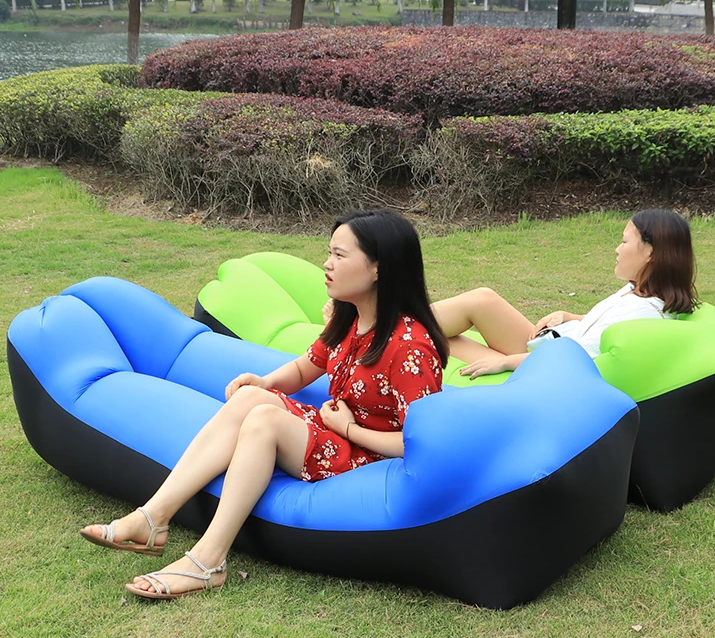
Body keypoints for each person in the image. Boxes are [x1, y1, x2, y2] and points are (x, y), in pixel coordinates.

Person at [80, 210, 448, 599]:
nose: (327, 264)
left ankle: (207, 561)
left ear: (378, 268)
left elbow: (418, 442)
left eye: (340, 256)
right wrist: (266, 382)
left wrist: (347, 429)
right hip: (337, 432)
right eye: (329, 253)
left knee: (264, 422)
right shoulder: (351, 318)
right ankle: (152, 517)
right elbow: (308, 367)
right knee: (253, 398)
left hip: (370, 456)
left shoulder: (409, 347)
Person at [432, 209, 697, 379]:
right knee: (483, 298)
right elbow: (602, 331)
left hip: (543, 371)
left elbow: (579, 362)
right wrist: (569, 315)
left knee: (437, 341)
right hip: (547, 348)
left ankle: (392, 329)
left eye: (625, 241)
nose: (617, 249)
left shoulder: (644, 315)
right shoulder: (638, 291)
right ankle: (392, 320)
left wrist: (506, 363)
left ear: (650, 252)